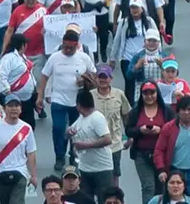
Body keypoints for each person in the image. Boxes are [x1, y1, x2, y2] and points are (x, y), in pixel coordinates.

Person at [38, 30, 97, 171]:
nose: (68, 50)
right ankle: (59, 156)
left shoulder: (84, 58)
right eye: (66, 47)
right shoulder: (54, 58)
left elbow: (94, 74)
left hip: (77, 101)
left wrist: (85, 80)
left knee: (76, 130)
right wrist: (40, 96)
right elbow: (45, 76)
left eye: (71, 47)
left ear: (77, 45)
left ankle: (74, 154)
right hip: (59, 99)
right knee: (58, 128)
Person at [0, 94, 38, 204]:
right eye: (10, 105)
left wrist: (34, 176)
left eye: (17, 106)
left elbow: (31, 153)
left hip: (20, 173)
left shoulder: (26, 128)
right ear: (4, 108)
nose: (14, 108)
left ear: (21, 109)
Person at [126, 81, 176, 203]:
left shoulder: (166, 111)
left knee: (162, 187)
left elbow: (175, 129)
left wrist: (161, 130)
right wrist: (140, 130)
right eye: (145, 93)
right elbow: (128, 130)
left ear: (157, 93)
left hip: (162, 155)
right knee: (148, 186)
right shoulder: (136, 111)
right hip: (141, 154)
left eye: (152, 93)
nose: (149, 96)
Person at [68, 89, 115, 201]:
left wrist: (85, 145)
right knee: (86, 200)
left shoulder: (97, 118)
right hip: (85, 168)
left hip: (101, 169)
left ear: (79, 105)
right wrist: (69, 131)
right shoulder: (81, 118)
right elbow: (71, 129)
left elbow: (107, 139)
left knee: (104, 199)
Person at [91, 64, 131, 188]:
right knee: (97, 175)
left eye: (105, 77)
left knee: (114, 175)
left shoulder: (119, 94)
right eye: (100, 77)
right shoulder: (90, 96)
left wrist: (130, 136)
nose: (102, 80)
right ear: (96, 79)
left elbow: (126, 116)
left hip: (114, 145)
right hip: (95, 145)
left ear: (111, 79)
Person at [0, 34, 38, 128]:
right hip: (14, 99)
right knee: (12, 125)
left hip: (27, 98)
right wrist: (8, 93)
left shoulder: (22, 57)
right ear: (22, 45)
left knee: (29, 125)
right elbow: (1, 76)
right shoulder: (8, 58)